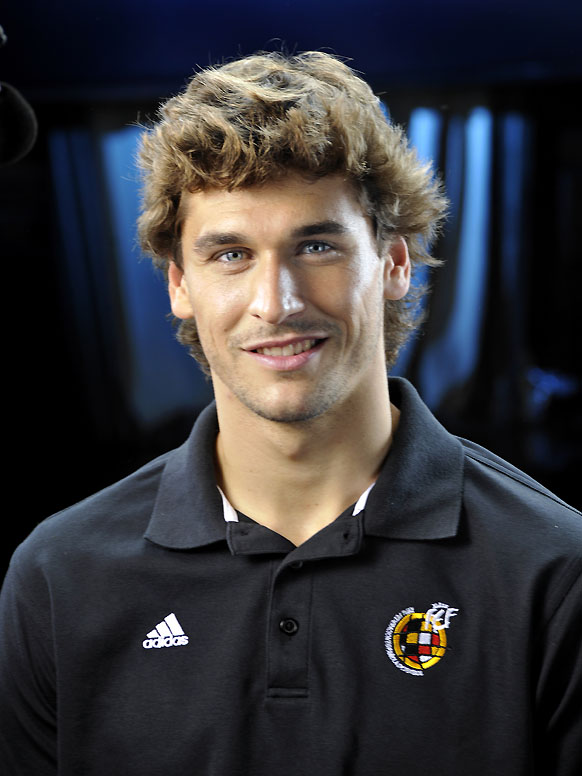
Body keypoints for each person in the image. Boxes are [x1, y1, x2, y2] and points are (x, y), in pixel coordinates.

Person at [0, 51, 580, 776]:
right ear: (180, 285)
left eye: (317, 245)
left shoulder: (554, 571)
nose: (276, 303)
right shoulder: (59, 577)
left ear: (395, 264)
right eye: (231, 255)